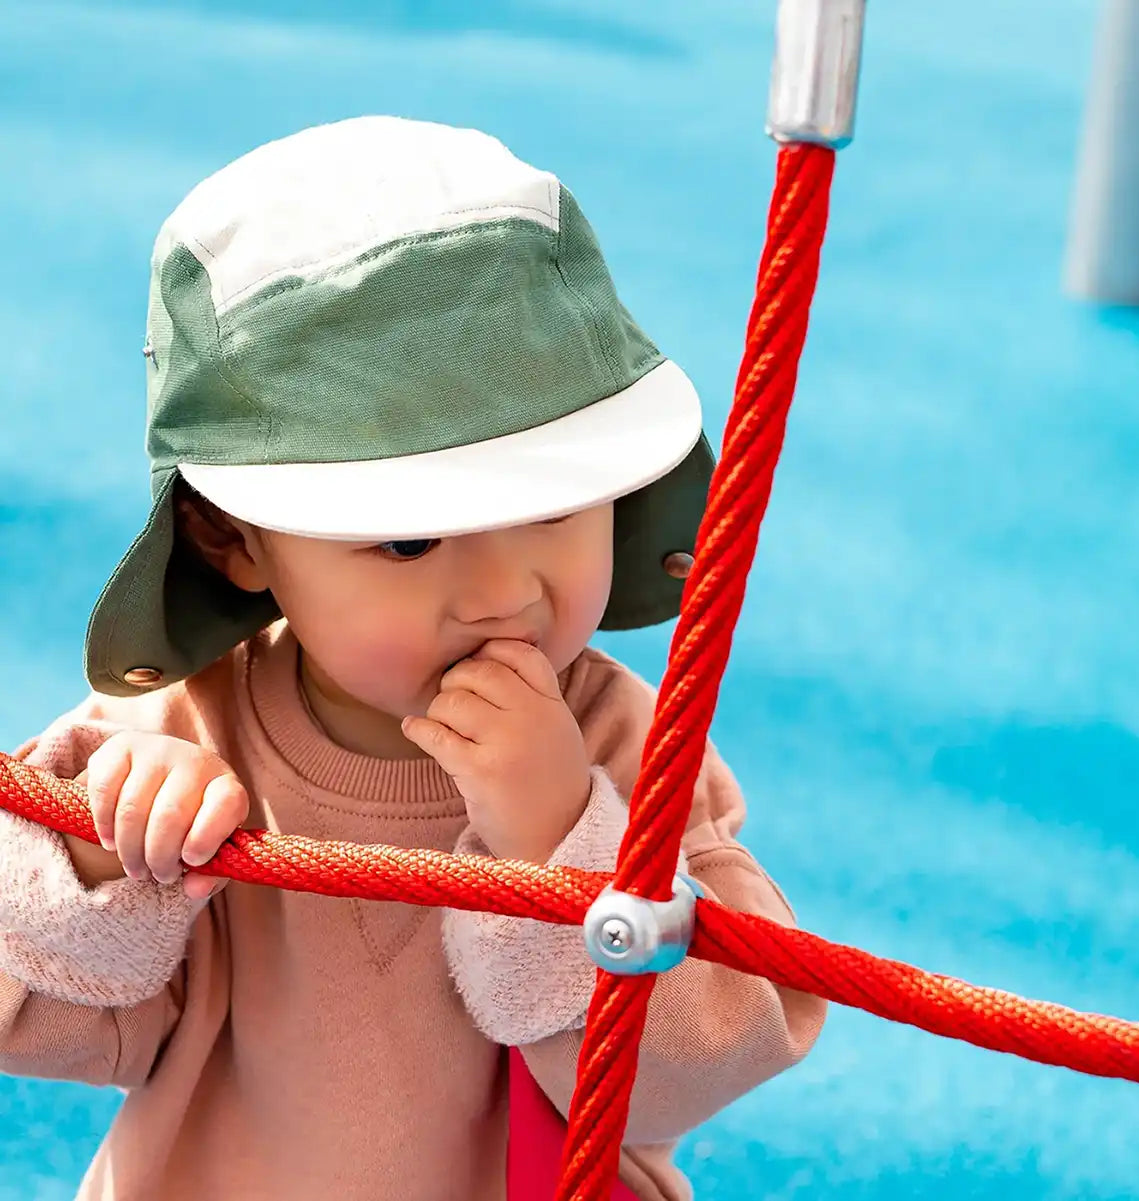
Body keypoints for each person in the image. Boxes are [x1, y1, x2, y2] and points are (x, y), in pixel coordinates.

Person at [0, 115, 826, 1201]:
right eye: (404, 540)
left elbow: (699, 1068)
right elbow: (41, 1025)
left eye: (552, 507)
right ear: (232, 541)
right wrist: (120, 859)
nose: (501, 593)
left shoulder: (631, 749)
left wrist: (561, 837)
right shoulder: (178, 736)